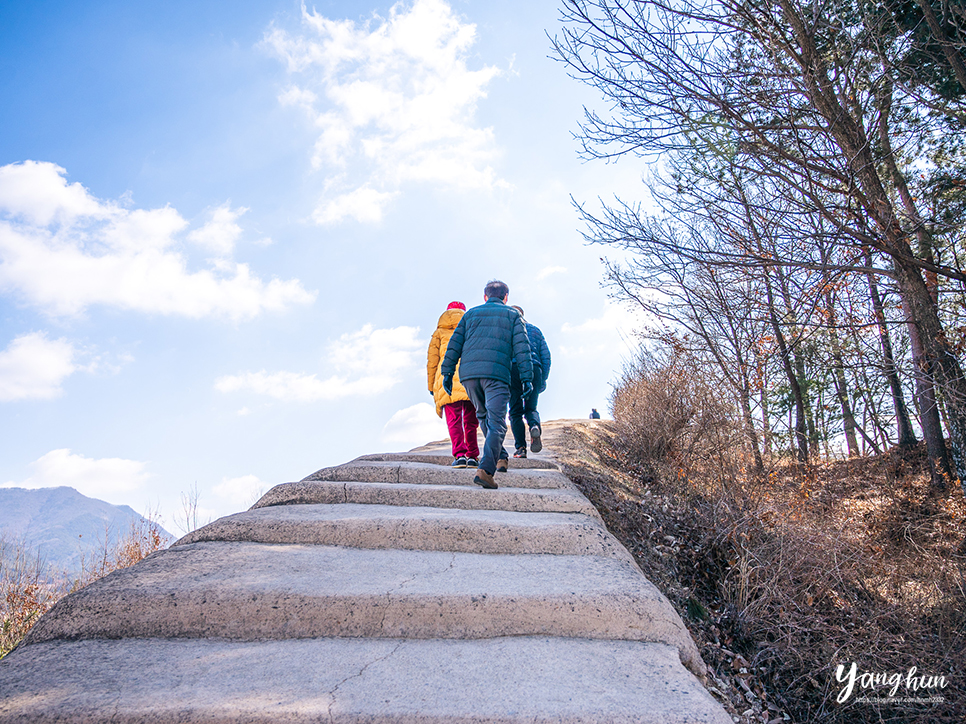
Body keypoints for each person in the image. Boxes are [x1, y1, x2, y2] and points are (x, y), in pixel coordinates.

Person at [441, 280, 533, 490]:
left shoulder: (470, 314)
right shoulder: (513, 315)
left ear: (485, 296)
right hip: (496, 375)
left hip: (469, 375)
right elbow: (522, 348)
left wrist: (447, 372)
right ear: (506, 297)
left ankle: (500, 456)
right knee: (498, 423)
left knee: (483, 417)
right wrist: (527, 377)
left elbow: (455, 344)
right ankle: (486, 470)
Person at [427, 301, 480, 468]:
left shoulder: (439, 332)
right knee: (471, 420)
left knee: (454, 420)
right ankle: (472, 456)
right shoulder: (471, 328)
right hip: (469, 376)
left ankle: (460, 455)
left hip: (446, 380)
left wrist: (431, 386)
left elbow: (432, 362)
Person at [508, 305, 551, 458]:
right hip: (535, 369)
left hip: (514, 368)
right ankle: (534, 426)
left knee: (515, 411)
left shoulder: (508, 330)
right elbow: (546, 356)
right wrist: (543, 378)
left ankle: (521, 448)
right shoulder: (535, 330)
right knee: (531, 408)